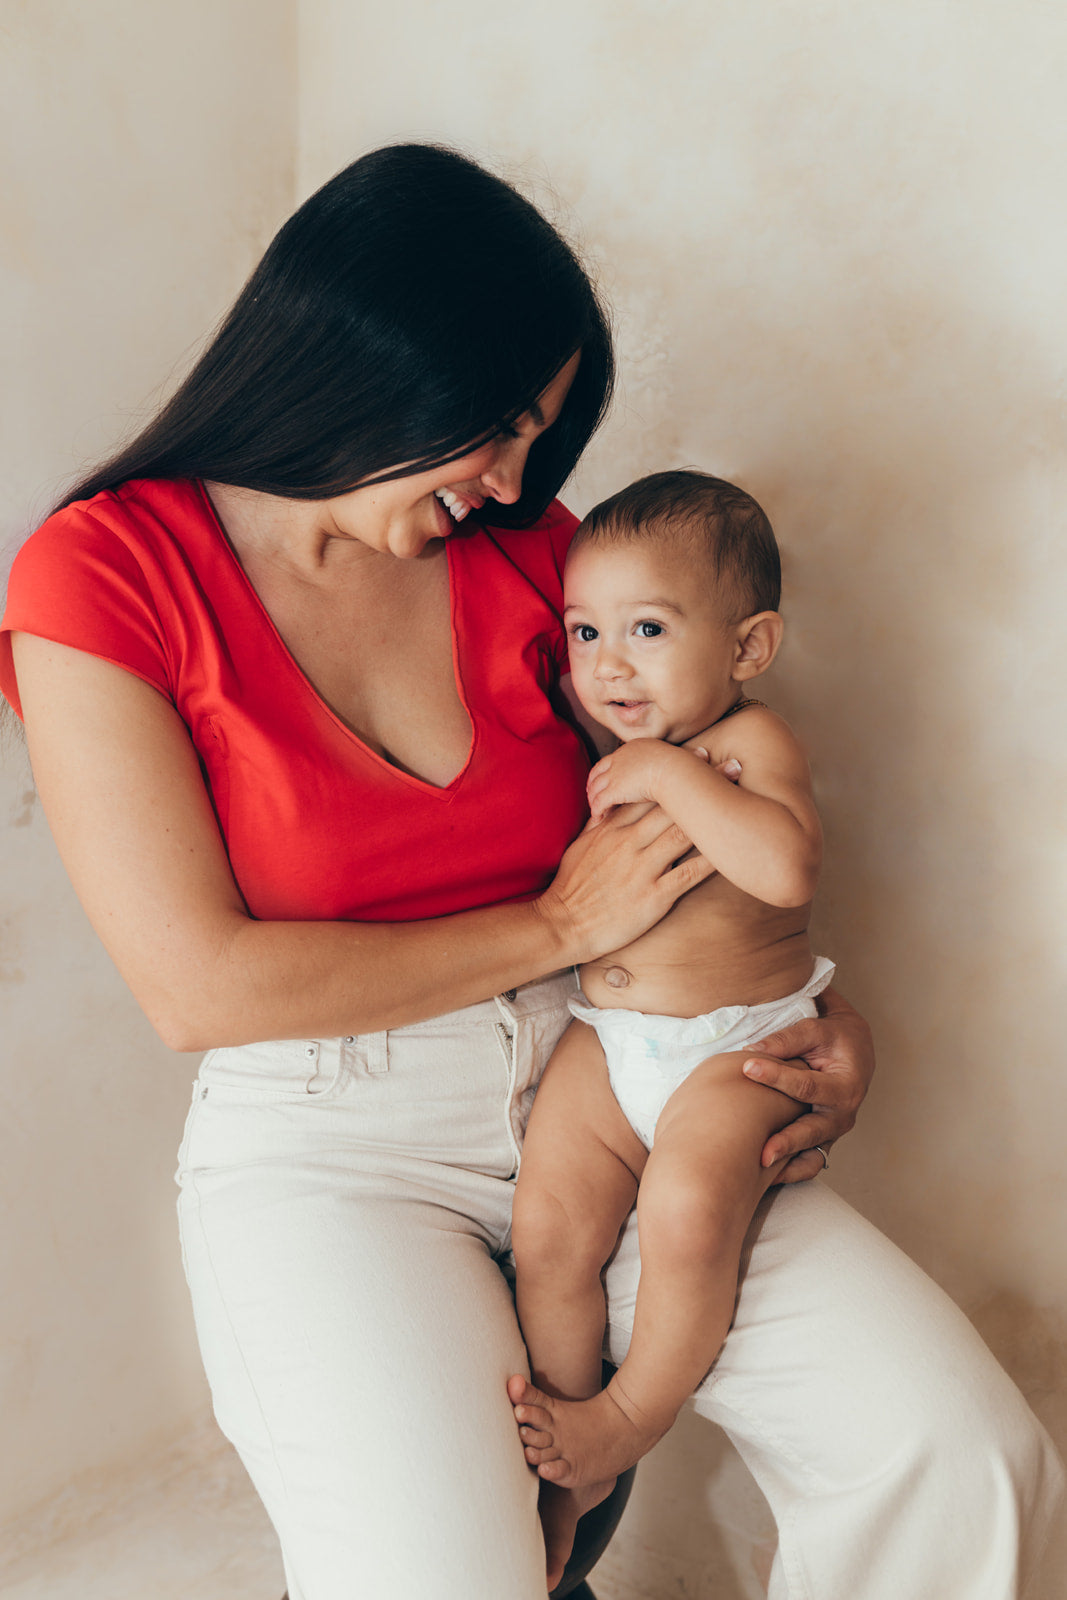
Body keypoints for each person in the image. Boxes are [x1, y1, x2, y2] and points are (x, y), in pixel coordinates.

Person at [0, 144, 1059, 1600]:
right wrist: (556, 920)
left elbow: (719, 817)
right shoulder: (105, 571)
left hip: (630, 1077)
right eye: (491, 428)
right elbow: (198, 989)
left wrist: (808, 1026)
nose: (511, 478)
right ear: (365, 360)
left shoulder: (535, 560)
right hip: (337, 1150)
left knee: (956, 1452)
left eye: (533, 440)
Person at [507, 469, 835, 1579]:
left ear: (747, 647)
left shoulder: (749, 745)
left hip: (732, 1048)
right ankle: (569, 1445)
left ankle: (634, 1413)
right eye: (586, 628)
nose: (608, 660)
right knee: (549, 1229)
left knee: (690, 1207)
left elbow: (783, 866)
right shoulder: (601, 735)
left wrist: (663, 772)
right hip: (611, 1043)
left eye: (647, 628)